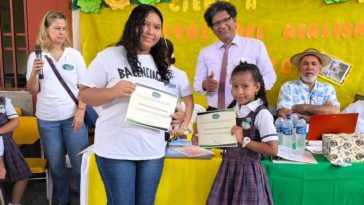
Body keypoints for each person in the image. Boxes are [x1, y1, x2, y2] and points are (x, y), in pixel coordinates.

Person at [79, 5, 185, 205]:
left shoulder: (162, 64)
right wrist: (112, 92)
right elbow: (84, 94)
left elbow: (169, 102)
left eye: (156, 27)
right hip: (116, 150)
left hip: (152, 150)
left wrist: (176, 114)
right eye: (145, 24)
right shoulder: (110, 56)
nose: (150, 31)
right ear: (133, 25)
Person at [26, 11, 89, 205]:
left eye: (64, 28)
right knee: (56, 165)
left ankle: (84, 200)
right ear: (46, 30)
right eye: (56, 28)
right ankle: (63, 201)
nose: (61, 32)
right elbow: (32, 91)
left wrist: (81, 112)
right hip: (47, 120)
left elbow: (85, 87)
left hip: (73, 118)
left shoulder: (74, 55)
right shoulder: (36, 56)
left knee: (79, 164)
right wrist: (34, 74)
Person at [206, 62, 278, 205]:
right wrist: (204, 139)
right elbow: (226, 142)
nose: (239, 92)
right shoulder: (232, 110)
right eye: (235, 86)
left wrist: (244, 140)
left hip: (249, 173)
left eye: (245, 86)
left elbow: (273, 149)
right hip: (228, 170)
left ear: (256, 87)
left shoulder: (261, 114)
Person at [194, 1, 276, 110]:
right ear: (212, 29)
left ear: (234, 20)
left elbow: (270, 76)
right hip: (215, 111)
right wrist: (205, 84)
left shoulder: (256, 46)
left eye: (226, 20)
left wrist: (251, 90)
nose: (222, 26)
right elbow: (197, 83)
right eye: (216, 23)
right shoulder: (205, 52)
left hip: (248, 110)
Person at [277, 48, 340, 122]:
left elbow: (334, 111)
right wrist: (320, 113)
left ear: (320, 69)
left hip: (323, 132)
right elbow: (284, 113)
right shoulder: (288, 87)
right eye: (305, 64)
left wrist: (303, 107)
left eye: (314, 64)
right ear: (299, 68)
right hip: (295, 132)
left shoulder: (327, 88)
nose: (309, 67)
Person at [0, 97, 31, 205]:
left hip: (7, 144)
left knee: (23, 174)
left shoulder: (4, 102)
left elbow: (14, 122)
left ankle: (15, 203)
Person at [164, 38, 194, 136]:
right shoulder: (147, 72)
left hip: (173, 128)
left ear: (170, 56)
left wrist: (183, 126)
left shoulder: (180, 75)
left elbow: (189, 103)